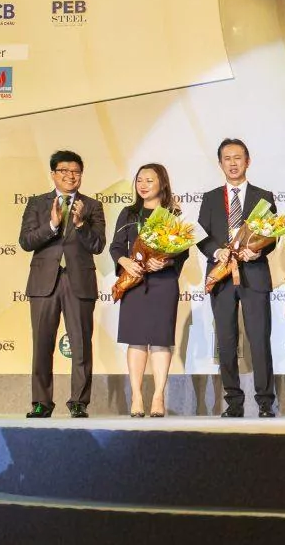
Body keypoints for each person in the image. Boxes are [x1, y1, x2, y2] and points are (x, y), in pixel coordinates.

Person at [18, 150, 107, 418]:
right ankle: (41, 402)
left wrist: (80, 225)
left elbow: (99, 245)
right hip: (44, 282)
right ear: (54, 174)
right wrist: (52, 225)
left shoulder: (92, 206)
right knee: (42, 344)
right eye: (65, 171)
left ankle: (79, 402)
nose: (71, 176)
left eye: (76, 172)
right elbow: (26, 241)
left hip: (79, 281)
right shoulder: (37, 203)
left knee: (81, 344)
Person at [197, 139, 279, 418]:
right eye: (227, 159)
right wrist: (217, 250)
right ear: (220, 163)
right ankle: (233, 401)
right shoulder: (210, 198)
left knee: (259, 339)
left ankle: (266, 402)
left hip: (254, 275)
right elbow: (201, 237)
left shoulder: (263, 196)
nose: (232, 163)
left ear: (248, 161)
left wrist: (258, 251)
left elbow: (272, 236)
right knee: (226, 340)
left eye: (238, 158)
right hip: (220, 276)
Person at [110, 164, 189, 418]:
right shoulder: (129, 213)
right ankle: (137, 396)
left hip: (163, 283)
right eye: (139, 180)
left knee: (160, 340)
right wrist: (125, 262)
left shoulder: (172, 214)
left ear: (162, 184)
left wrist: (165, 261)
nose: (143, 185)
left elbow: (182, 250)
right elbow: (116, 247)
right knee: (136, 339)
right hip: (134, 282)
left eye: (149, 180)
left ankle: (157, 396)